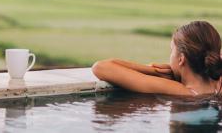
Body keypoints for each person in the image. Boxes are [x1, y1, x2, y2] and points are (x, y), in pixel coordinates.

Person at [92, 21, 222, 97]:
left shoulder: (181, 91)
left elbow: (101, 67)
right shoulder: (217, 87)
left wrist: (153, 70)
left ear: (181, 59)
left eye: (172, 51)